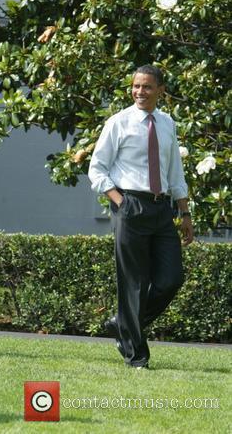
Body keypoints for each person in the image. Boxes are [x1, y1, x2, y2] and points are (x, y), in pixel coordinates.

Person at [88, 64, 193, 369]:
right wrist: (121, 202)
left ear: (161, 90)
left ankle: (122, 324)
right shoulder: (118, 123)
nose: (140, 92)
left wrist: (184, 211)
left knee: (172, 278)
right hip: (130, 205)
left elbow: (175, 171)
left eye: (147, 87)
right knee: (133, 283)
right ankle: (137, 356)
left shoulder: (166, 123)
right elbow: (97, 169)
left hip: (162, 209)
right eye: (136, 86)